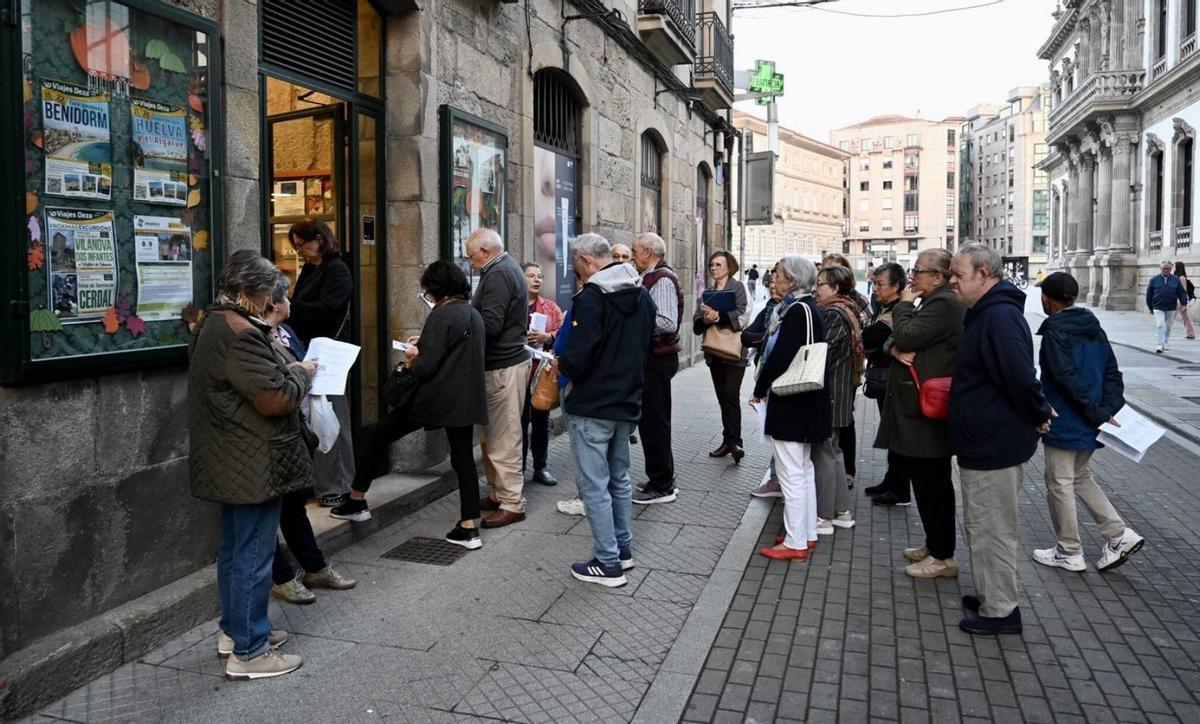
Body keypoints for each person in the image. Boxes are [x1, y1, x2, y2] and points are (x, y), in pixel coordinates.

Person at [188, 250, 312, 679]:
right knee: (254, 554)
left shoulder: (215, 322)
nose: (271, 299)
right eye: (268, 291)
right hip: (252, 459)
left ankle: (235, 632)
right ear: (250, 291)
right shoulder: (240, 332)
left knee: (236, 550)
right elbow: (275, 398)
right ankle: (250, 652)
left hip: (232, 455)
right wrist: (301, 372)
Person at [331, 262, 489, 549]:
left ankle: (356, 500)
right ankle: (469, 527)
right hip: (463, 400)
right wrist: (425, 344)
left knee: (379, 435)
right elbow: (454, 352)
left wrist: (413, 354)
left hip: (433, 399)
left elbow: (426, 367)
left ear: (437, 289)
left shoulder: (442, 314)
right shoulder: (473, 314)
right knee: (464, 459)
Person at [949, 242, 1052, 636]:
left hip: (994, 442)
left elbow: (1021, 377)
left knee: (991, 527)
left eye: (958, 274)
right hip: (983, 439)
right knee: (981, 524)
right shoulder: (986, 313)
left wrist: (1038, 413)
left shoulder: (999, 317)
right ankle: (991, 594)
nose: (952, 281)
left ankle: (1001, 610)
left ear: (984, 275)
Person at [557, 234, 655, 586]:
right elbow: (648, 345)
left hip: (593, 402)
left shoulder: (591, 297)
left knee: (594, 485)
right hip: (626, 401)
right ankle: (622, 549)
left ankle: (607, 561)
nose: (576, 271)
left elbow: (578, 356)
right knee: (619, 479)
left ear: (586, 260)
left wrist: (561, 364)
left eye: (575, 264)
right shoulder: (641, 294)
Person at [1035, 272, 1145, 572]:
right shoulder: (1094, 327)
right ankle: (1118, 534)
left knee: (1060, 482)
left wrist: (1095, 411)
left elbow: (1065, 378)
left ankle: (1068, 550)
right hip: (1092, 418)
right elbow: (1113, 373)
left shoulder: (1056, 332)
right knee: (1079, 476)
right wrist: (1105, 410)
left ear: (1046, 299)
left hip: (1066, 418)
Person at [260, 275, 357, 604]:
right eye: (287, 297)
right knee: (266, 512)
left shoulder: (285, 332)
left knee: (294, 503)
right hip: (272, 435)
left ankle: (315, 566)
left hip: (295, 430)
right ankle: (282, 577)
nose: (291, 302)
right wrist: (303, 371)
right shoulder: (257, 338)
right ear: (274, 303)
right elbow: (275, 385)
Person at [877, 250, 964, 579]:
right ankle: (935, 543)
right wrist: (894, 349)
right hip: (916, 407)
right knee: (925, 481)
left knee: (933, 485)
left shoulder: (944, 304)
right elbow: (892, 342)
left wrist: (902, 306)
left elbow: (906, 335)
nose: (912, 276)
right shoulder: (930, 302)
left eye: (918, 271)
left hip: (927, 410)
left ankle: (943, 556)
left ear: (938, 277)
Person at [749, 255, 831, 560]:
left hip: (793, 401)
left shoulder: (797, 310)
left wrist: (760, 389)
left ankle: (795, 541)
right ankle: (804, 532)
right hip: (805, 401)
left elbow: (781, 358)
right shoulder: (806, 307)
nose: (774, 279)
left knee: (791, 473)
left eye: (779, 274)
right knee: (802, 469)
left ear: (793, 280)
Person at [287, 219, 355, 507]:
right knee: (317, 417)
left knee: (331, 417)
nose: (299, 251)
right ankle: (324, 483)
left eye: (302, 245)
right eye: (296, 247)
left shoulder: (337, 269)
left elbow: (328, 311)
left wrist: (290, 307)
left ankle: (337, 485)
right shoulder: (311, 269)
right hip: (310, 351)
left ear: (320, 240)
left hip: (329, 355)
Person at [467, 228, 533, 528]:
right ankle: (498, 493)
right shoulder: (503, 268)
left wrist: (462, 322)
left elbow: (491, 324)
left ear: (484, 251)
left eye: (471, 256)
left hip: (504, 366)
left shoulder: (498, 274)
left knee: (504, 438)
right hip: (503, 363)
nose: (470, 262)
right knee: (493, 436)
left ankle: (511, 502)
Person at [627, 232, 685, 505]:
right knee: (652, 421)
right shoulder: (652, 276)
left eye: (635, 250)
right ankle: (660, 478)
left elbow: (667, 322)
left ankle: (662, 484)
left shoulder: (661, 279)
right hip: (654, 358)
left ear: (648, 253)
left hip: (657, 360)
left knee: (654, 422)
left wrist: (634, 326)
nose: (632, 255)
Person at [812, 265, 862, 534]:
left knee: (824, 455)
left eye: (820, 284)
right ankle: (842, 511)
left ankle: (824, 516)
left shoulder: (833, 313)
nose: (816, 289)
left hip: (831, 393)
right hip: (840, 393)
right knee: (834, 453)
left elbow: (821, 354)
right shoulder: (849, 309)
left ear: (835, 288)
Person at [862, 263, 911, 506]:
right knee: (891, 433)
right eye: (874, 283)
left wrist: (871, 341)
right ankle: (891, 481)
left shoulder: (898, 310)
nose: (875, 289)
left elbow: (870, 337)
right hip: (885, 377)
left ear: (896, 287)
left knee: (897, 434)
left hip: (895, 379)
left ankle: (900, 489)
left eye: (880, 284)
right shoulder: (886, 308)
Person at [694, 250, 750, 463]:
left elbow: (742, 313)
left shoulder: (738, 287)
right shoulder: (707, 292)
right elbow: (697, 322)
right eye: (712, 265)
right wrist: (706, 320)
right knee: (722, 398)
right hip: (714, 351)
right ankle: (729, 441)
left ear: (729, 267)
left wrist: (719, 317)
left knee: (731, 394)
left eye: (718, 264)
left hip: (734, 351)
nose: (714, 268)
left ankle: (736, 442)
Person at [823, 252, 868, 486]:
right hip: (842, 376)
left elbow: (825, 353)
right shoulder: (837, 306)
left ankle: (844, 477)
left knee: (835, 437)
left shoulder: (838, 310)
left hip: (839, 379)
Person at [521, 262, 564, 486]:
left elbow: (563, 331)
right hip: (518, 370)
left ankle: (540, 467)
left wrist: (548, 337)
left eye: (539, 276)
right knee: (518, 423)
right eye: (531, 276)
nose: (537, 280)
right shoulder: (513, 305)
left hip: (541, 372)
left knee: (541, 420)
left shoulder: (550, 307)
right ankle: (518, 469)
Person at [745, 263, 785, 498]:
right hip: (766, 374)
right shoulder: (771, 307)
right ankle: (776, 478)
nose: (772, 286)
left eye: (777, 281)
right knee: (775, 431)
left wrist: (765, 339)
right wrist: (765, 338)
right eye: (771, 282)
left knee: (781, 433)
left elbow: (779, 351)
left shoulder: (794, 310)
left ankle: (777, 480)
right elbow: (746, 335)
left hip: (782, 381)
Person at [1146, 259, 1188, 353]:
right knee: (1160, 325)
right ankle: (1160, 345)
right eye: (1164, 268)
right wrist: (1150, 307)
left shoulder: (1175, 279)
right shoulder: (1154, 280)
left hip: (1171, 307)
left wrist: (1183, 304)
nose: (1166, 270)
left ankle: (1165, 341)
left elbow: (1181, 292)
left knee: (1168, 326)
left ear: (1171, 269)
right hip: (1158, 306)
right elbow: (1149, 294)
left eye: (1168, 269)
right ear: (1160, 268)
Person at [1175, 261, 1196, 340]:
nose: (1173, 268)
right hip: (1178, 299)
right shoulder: (1178, 277)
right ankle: (1191, 334)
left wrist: (1183, 302)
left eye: (1175, 266)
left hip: (1180, 300)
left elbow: (1183, 290)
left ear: (1178, 267)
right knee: (1186, 317)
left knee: (1170, 316)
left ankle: (1163, 332)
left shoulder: (1182, 277)